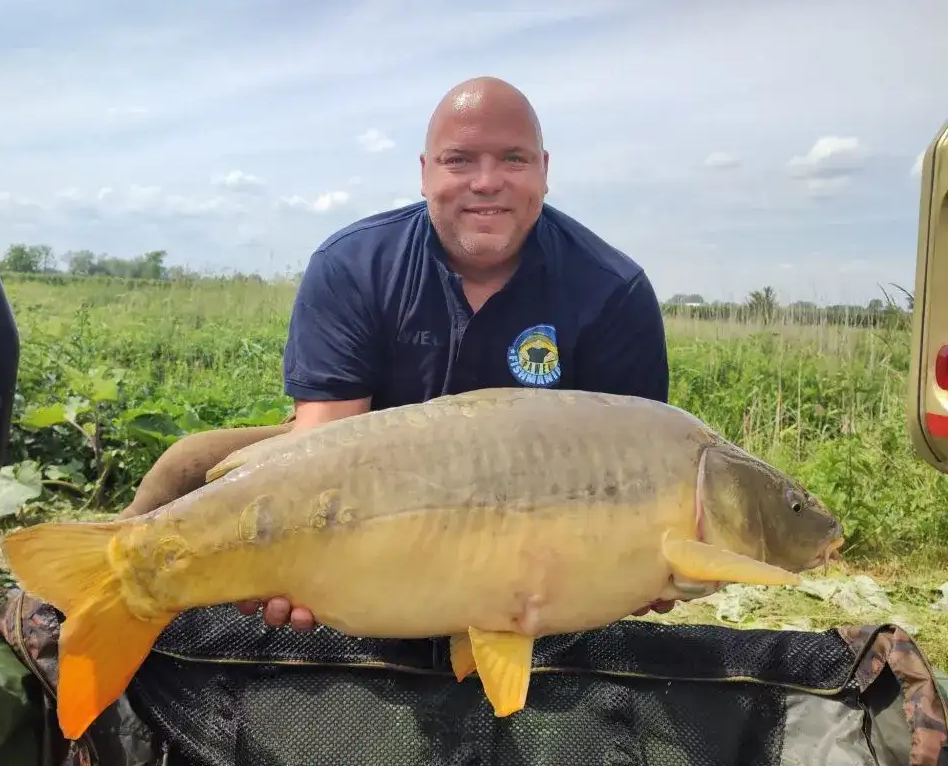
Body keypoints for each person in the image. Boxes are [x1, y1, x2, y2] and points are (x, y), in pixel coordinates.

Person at [120, 75, 674, 631]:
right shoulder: (354, 264)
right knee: (187, 469)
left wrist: (642, 564)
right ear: (425, 170)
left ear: (544, 170)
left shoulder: (611, 289)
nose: (487, 182)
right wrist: (295, 555)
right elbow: (325, 442)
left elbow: (631, 473)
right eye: (459, 160)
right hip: (372, 488)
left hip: (536, 508)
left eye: (513, 159)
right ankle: (101, 602)